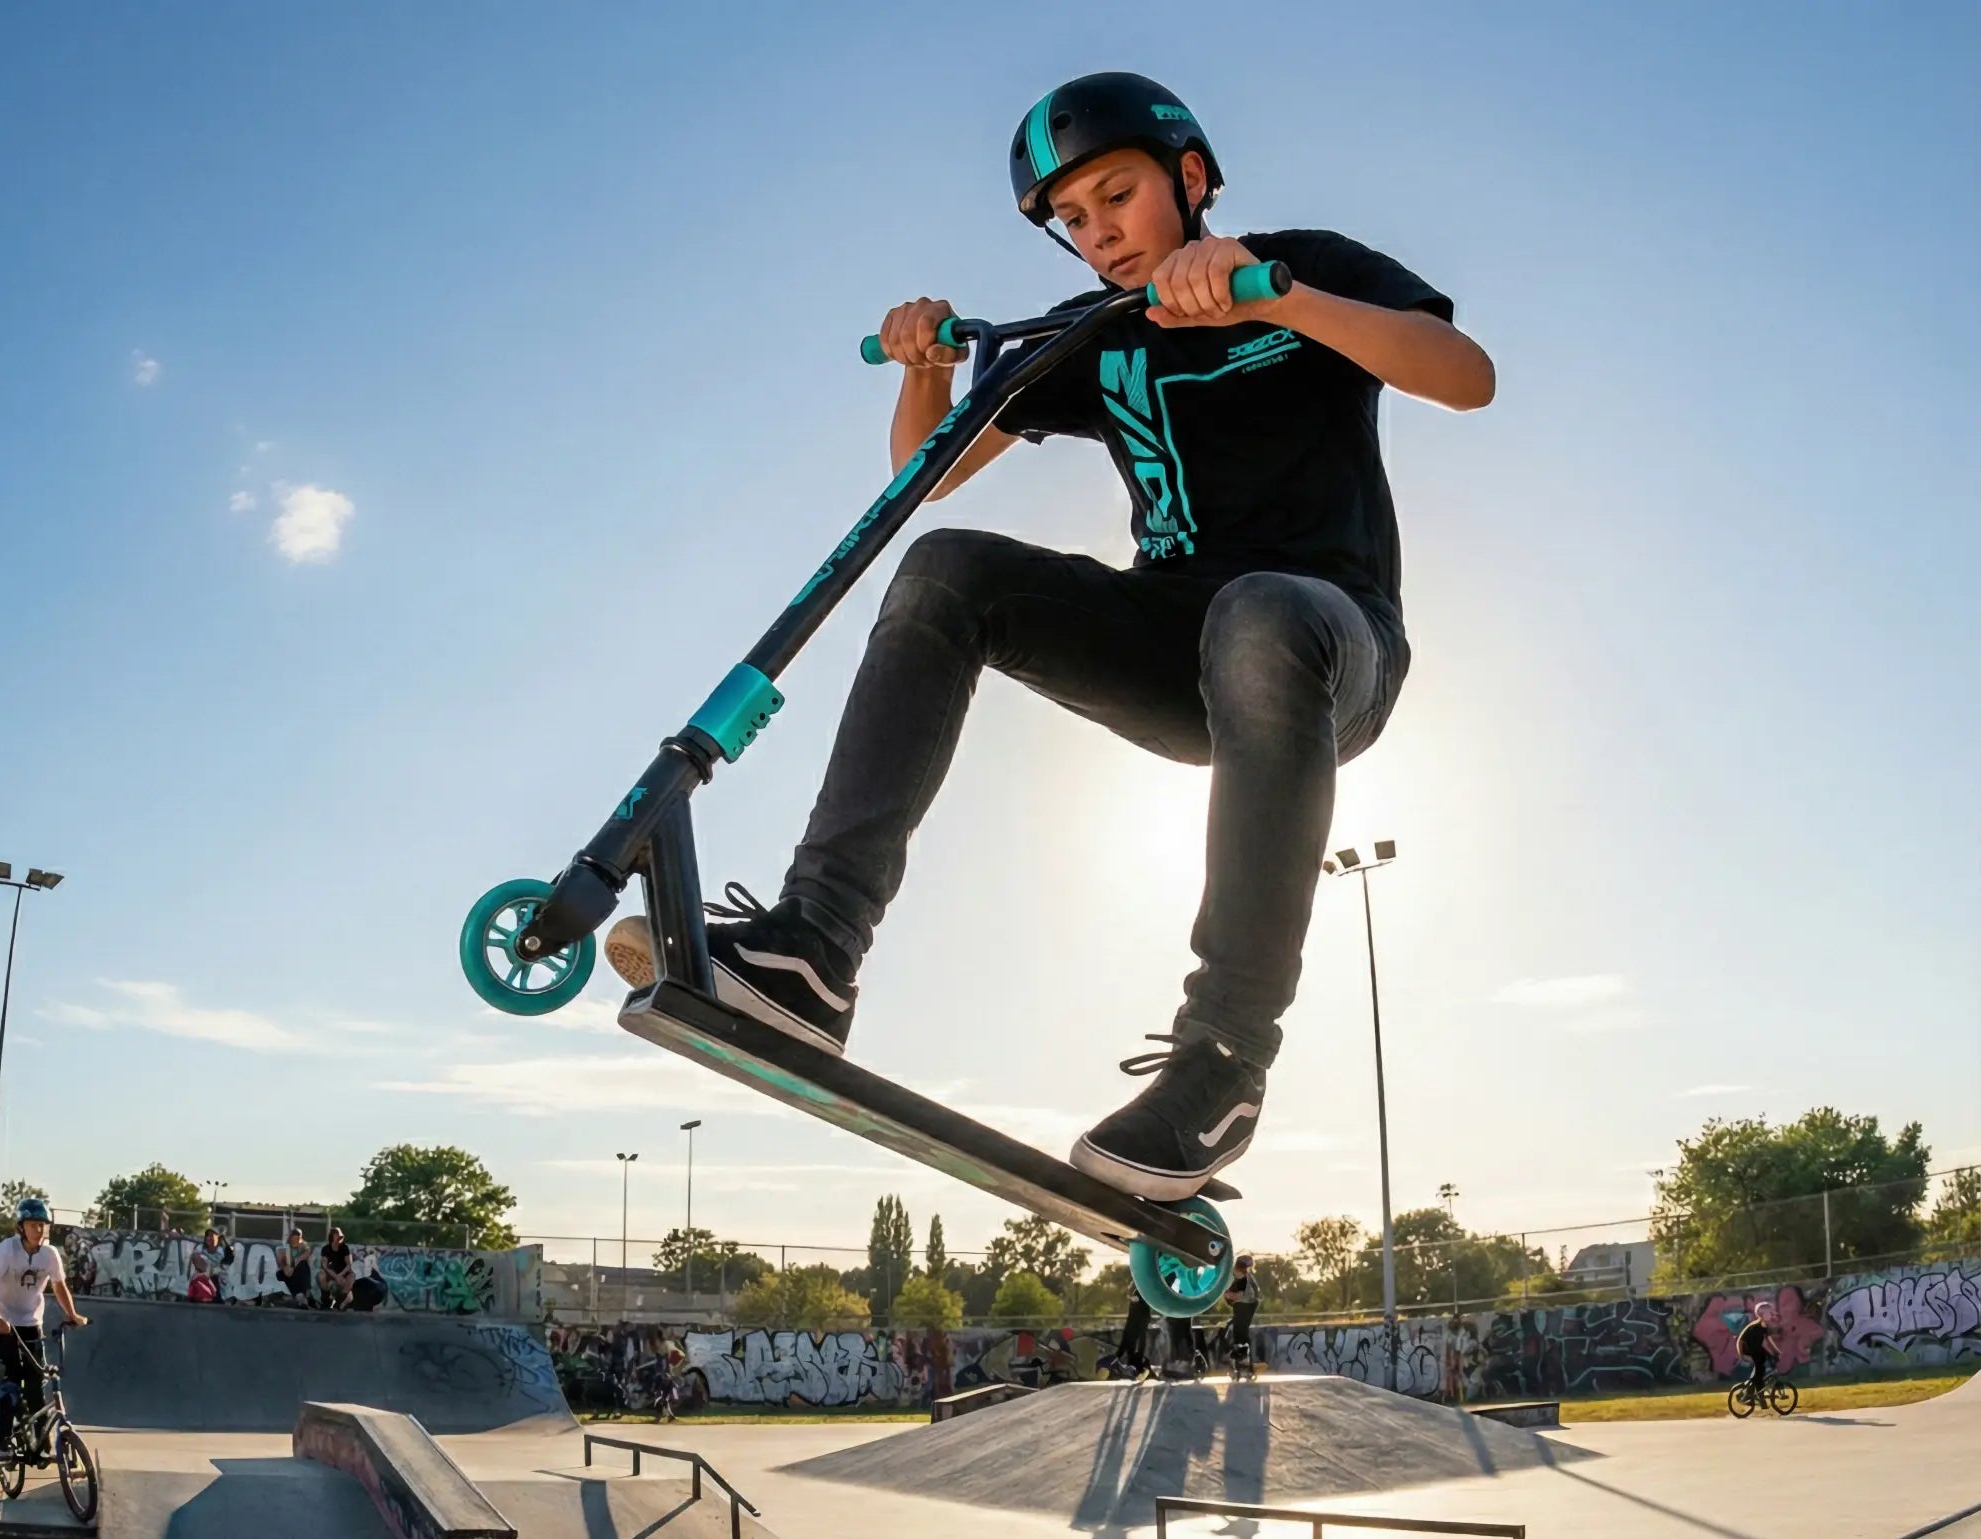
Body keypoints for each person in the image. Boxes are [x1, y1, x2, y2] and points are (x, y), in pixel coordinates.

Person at [607, 72, 1491, 1198]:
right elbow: (923, 483)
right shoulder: (1096, 336)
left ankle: (1218, 1064)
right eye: (1071, 221)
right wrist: (927, 372)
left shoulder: (1304, 266)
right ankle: (814, 951)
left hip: (1328, 646)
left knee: (1257, 610)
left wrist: (1273, 301)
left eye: (1114, 196)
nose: (1097, 234)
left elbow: (1465, 380)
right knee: (946, 569)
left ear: (1189, 176)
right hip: (1173, 654)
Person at [0, 1197, 88, 1454]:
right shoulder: (7, 1249)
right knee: (13, 1380)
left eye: (42, 1225)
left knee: (37, 1382)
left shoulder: (50, 1254)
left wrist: (72, 1314)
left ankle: (40, 1441)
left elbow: (59, 1286)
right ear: (21, 1227)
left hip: (30, 1322)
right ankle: (1, 1441)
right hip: (4, 1322)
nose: (39, 1230)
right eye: (33, 1225)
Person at [1736, 1302, 1779, 1402]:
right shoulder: (1754, 1326)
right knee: (1759, 1372)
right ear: (1761, 1314)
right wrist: (1741, 1355)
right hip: (1749, 1350)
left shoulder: (1765, 1327)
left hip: (1757, 1349)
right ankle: (1753, 1395)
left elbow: (1769, 1340)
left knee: (1768, 1361)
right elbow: (1740, 1340)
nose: (1772, 1315)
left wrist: (1777, 1352)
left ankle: (1762, 1384)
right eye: (1769, 1313)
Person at [1223, 1253, 1260, 1369]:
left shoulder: (1245, 1277)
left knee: (1241, 1329)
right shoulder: (1239, 1275)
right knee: (1240, 1330)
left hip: (1247, 1304)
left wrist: (1232, 1296)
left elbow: (1250, 1294)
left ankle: (1241, 1354)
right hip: (1244, 1304)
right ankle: (1242, 1354)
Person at [188, 1226, 233, 1304]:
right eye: (208, 1235)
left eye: (212, 1235)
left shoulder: (222, 1250)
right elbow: (195, 1258)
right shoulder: (201, 1248)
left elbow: (227, 1264)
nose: (209, 1238)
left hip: (217, 1278)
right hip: (203, 1275)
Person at [317, 1225, 355, 1310]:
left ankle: (340, 1301)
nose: (341, 1238)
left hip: (343, 1273)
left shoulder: (345, 1248)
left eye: (341, 1236)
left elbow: (349, 1264)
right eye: (338, 1235)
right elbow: (325, 1266)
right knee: (321, 1275)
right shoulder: (326, 1249)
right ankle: (326, 1301)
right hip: (331, 1273)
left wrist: (341, 1275)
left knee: (352, 1276)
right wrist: (336, 1276)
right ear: (332, 1236)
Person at [276, 1228, 314, 1307]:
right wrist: (285, 1267)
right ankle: (296, 1296)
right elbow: (280, 1261)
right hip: (287, 1270)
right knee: (279, 1274)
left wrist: (294, 1264)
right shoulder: (286, 1247)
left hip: (298, 1271)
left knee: (303, 1265)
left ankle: (304, 1294)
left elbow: (306, 1254)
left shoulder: (304, 1245)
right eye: (294, 1237)